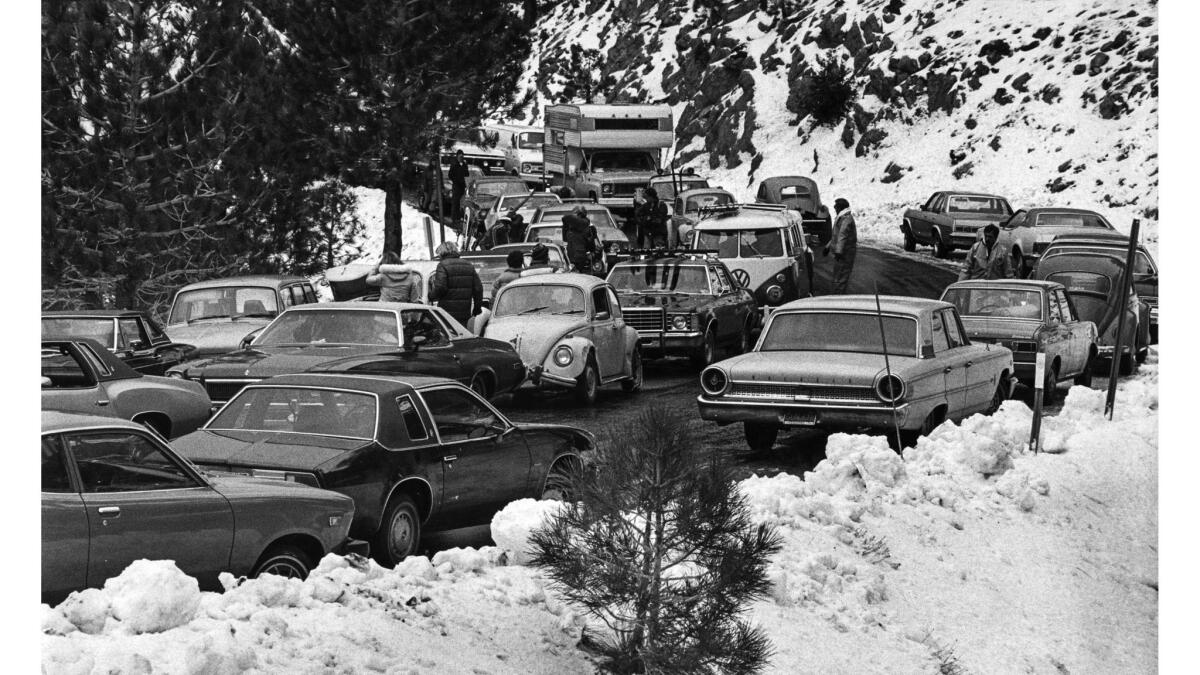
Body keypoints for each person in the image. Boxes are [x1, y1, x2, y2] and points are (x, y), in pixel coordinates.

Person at [429, 241, 483, 326]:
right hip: (464, 312)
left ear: (442, 253)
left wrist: (430, 296)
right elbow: (478, 289)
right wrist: (477, 308)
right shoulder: (468, 265)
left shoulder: (442, 265)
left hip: (446, 312)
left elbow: (440, 288)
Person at [824, 197, 857, 294]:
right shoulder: (842, 218)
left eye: (836, 207)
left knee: (841, 276)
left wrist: (839, 251)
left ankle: (839, 295)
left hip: (845, 254)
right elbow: (836, 235)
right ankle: (837, 293)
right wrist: (828, 246)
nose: (835, 209)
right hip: (842, 253)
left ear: (840, 208)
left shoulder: (846, 219)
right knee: (838, 275)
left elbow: (842, 235)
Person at [562, 205, 597, 274]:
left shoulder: (587, 227)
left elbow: (592, 246)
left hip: (578, 259)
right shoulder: (570, 226)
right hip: (573, 258)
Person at [448, 150, 469, 224]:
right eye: (460, 156)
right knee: (455, 202)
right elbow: (450, 175)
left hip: (463, 186)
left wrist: (466, 182)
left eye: (462, 156)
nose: (461, 157)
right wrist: (456, 181)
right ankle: (454, 218)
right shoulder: (454, 164)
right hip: (456, 186)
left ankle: (460, 217)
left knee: (462, 203)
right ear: (457, 156)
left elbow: (467, 174)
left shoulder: (464, 164)